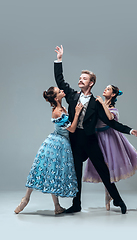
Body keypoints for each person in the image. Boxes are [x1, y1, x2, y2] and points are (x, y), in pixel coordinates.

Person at [54, 45, 137, 214]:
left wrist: (130, 130)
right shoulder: (72, 96)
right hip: (75, 139)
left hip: (90, 140)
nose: (80, 80)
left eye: (84, 78)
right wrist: (59, 60)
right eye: (80, 78)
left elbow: (112, 123)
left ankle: (118, 200)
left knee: (104, 171)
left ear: (91, 83)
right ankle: (76, 204)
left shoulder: (96, 103)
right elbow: (60, 80)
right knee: (76, 174)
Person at [83, 84, 137, 211]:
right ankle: (108, 195)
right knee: (105, 169)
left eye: (109, 89)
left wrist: (102, 102)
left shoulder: (111, 109)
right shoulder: (98, 104)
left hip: (111, 137)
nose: (105, 89)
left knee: (130, 152)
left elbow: (110, 118)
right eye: (105, 88)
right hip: (98, 138)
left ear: (113, 95)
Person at [14, 86, 83, 215]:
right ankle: (26, 198)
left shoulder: (62, 108)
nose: (62, 91)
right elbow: (72, 129)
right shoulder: (57, 111)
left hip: (62, 144)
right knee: (40, 168)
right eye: (59, 91)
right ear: (56, 98)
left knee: (54, 173)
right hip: (56, 144)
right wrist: (77, 112)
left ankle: (57, 206)